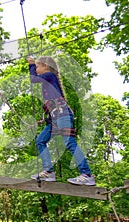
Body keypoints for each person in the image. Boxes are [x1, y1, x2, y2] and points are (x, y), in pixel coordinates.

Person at [27, 56, 95, 186]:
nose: (36, 69)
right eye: (35, 67)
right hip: (55, 119)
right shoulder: (48, 81)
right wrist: (46, 119)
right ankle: (48, 172)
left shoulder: (50, 76)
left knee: (69, 142)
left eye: (37, 67)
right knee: (40, 140)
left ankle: (86, 174)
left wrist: (30, 64)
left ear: (45, 67)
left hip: (62, 116)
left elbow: (33, 79)